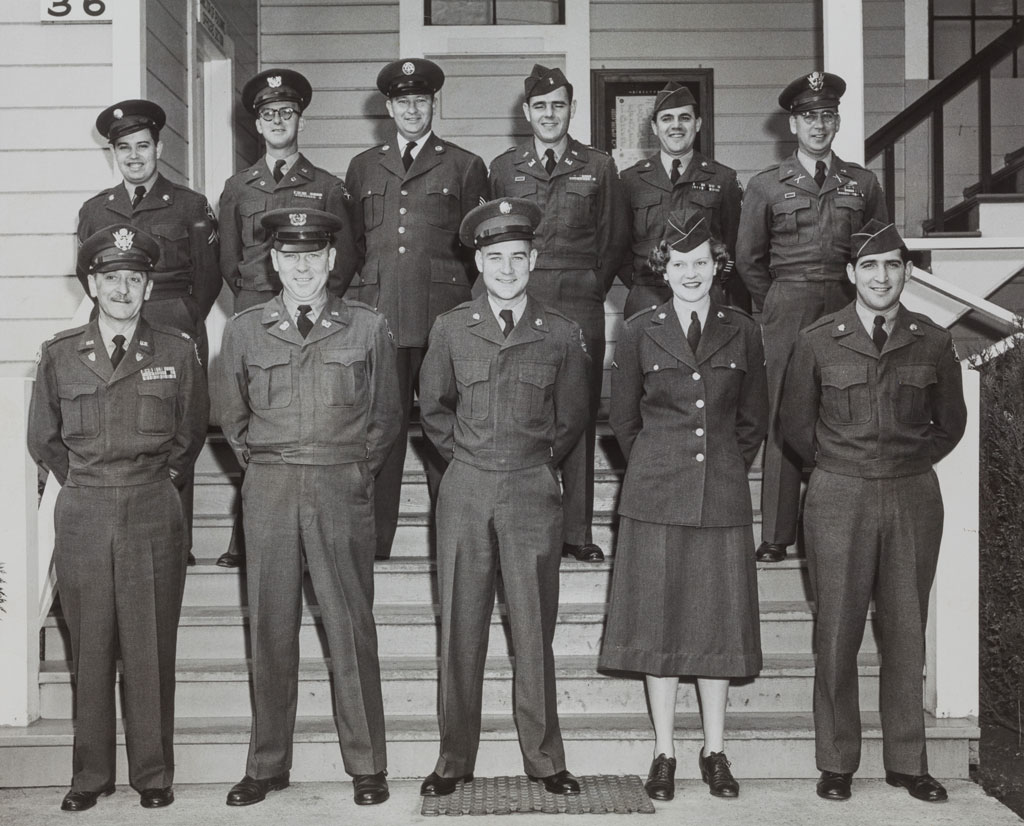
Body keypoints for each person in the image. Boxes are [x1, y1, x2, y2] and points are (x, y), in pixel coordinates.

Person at [216, 208, 400, 807]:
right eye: (290, 255)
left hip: (339, 484)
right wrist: (270, 466)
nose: (301, 265)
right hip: (269, 485)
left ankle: (368, 763)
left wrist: (346, 470)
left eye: (313, 254)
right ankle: (268, 764)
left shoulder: (367, 327)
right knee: (270, 625)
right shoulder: (245, 330)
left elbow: (385, 419)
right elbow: (234, 421)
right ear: (274, 261)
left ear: (331, 260)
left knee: (350, 626)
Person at [781, 220, 967, 803]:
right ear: (850, 275)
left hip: (912, 494)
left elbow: (950, 423)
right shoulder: (818, 339)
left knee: (906, 629)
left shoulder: (931, 340)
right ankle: (837, 761)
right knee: (836, 628)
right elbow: (794, 426)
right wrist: (841, 467)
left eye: (892, 266)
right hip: (840, 495)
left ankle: (908, 761)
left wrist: (906, 461)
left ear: (908, 273)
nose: (881, 277)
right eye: (869, 267)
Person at [28, 224, 209, 812]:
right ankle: (91, 775)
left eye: (134, 278)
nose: (123, 289)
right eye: (111, 278)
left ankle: (153, 775)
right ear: (92, 283)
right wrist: (89, 482)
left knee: (150, 644)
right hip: (83, 508)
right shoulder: (59, 355)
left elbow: (187, 437)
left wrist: (152, 486)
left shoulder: (178, 351)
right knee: (91, 645)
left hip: (153, 505)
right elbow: (45, 440)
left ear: (148, 284)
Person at [417, 198, 590, 797]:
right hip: (466, 486)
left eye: (518, 256)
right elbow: (434, 408)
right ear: (479, 262)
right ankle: (453, 760)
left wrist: (534, 463)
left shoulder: (562, 333)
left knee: (532, 628)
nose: (508, 268)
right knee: (461, 627)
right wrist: (466, 458)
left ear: (535, 259)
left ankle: (545, 760)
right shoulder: (451, 327)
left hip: (531, 487)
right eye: (496, 257)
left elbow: (571, 420)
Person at [599, 211, 767, 801]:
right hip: (654, 494)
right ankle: (665, 750)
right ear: (662, 270)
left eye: (701, 263)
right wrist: (658, 464)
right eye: (679, 264)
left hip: (721, 495)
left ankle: (715, 750)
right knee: (660, 624)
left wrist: (721, 465)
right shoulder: (641, 328)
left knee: (718, 625)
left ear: (717, 267)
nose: (690, 273)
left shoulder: (742, 330)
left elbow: (752, 420)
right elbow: (623, 419)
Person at [736, 71, 887, 563]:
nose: (818, 125)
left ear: (837, 121)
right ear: (792, 125)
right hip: (788, 306)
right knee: (786, 411)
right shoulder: (765, 185)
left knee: (845, 409)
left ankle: (839, 524)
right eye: (808, 117)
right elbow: (748, 260)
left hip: (846, 305)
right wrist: (775, 305)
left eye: (826, 115)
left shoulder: (862, 183)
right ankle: (777, 534)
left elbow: (876, 251)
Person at [345, 58, 489, 559]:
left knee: (442, 426)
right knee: (380, 427)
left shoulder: (465, 165)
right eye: (402, 101)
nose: (412, 108)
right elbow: (356, 245)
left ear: (434, 104)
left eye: (421, 100)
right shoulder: (364, 166)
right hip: (380, 315)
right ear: (388, 107)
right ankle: (376, 541)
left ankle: (455, 537)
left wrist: (461, 308)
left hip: (440, 320)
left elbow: (478, 249)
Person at [216, 68, 359, 568]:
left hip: (314, 318)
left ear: (300, 119)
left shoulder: (326, 185)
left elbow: (345, 257)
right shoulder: (238, 187)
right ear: (257, 124)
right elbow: (229, 262)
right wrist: (260, 303)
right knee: (258, 419)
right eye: (268, 114)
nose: (278, 121)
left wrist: (314, 307)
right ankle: (247, 536)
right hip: (258, 314)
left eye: (287, 113)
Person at [488, 64, 629, 562]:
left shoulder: (599, 166)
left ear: (571, 109)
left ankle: (577, 531)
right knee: (525, 409)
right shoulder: (505, 168)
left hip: (580, 301)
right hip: (523, 299)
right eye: (541, 106)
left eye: (559, 105)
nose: (550, 114)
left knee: (578, 412)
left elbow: (614, 238)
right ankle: (529, 525)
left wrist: (592, 285)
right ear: (527, 112)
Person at [77, 99, 221, 565]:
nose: (134, 156)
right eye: (124, 149)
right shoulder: (97, 209)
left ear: (158, 147)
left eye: (143, 146)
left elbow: (209, 274)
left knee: (179, 426)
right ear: (113, 154)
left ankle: (176, 542)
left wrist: (182, 317)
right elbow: (89, 275)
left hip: (174, 323)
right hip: (118, 329)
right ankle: (127, 537)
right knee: (126, 423)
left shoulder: (190, 204)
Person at [619, 82, 746, 317]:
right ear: (655, 127)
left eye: (684, 118)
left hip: (706, 296)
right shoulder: (630, 180)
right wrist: (643, 281)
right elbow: (618, 246)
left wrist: (714, 280)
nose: (675, 126)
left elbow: (735, 243)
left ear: (697, 124)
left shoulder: (723, 178)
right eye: (667, 118)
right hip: (648, 298)